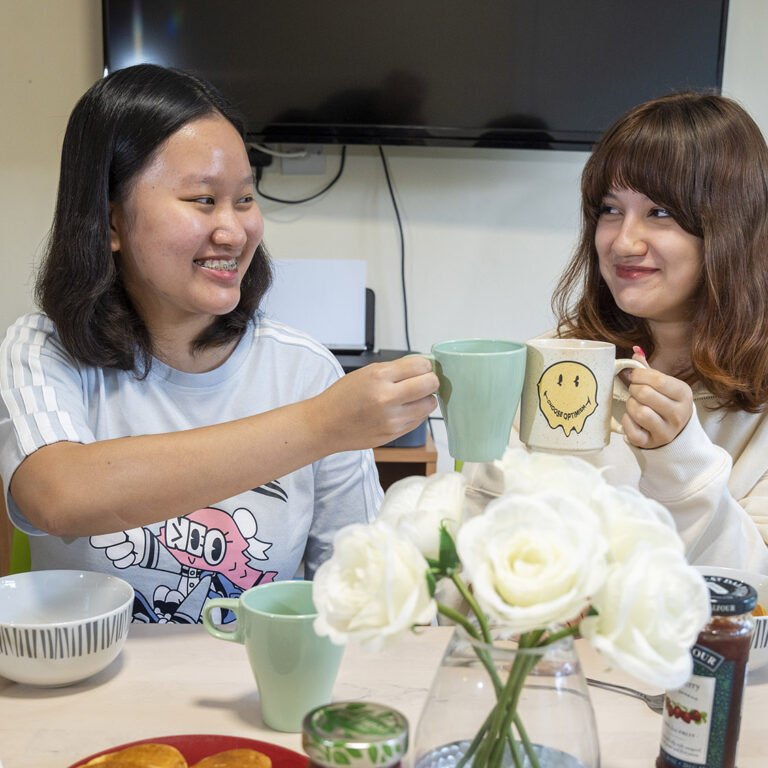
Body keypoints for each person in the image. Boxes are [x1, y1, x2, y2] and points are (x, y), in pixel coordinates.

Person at [0, 64, 438, 622]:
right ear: (111, 221)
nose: (234, 231)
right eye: (203, 200)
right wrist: (320, 425)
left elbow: (359, 588)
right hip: (90, 692)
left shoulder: (302, 370)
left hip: (257, 692)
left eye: (246, 199)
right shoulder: (42, 351)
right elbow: (58, 495)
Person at [465, 91, 768, 574]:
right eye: (610, 209)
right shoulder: (560, 360)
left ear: (733, 227)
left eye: (660, 213)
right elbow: (477, 554)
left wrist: (679, 459)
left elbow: (753, 594)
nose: (623, 242)